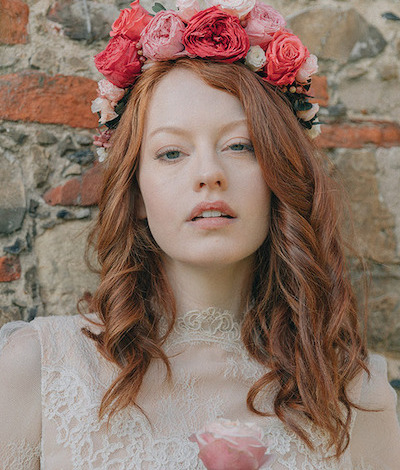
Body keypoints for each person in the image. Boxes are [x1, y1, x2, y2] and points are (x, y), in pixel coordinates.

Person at [1, 1, 400, 469]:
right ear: (136, 193)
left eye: (240, 145)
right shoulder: (40, 368)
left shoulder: (354, 391)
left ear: (280, 175)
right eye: (172, 153)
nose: (209, 174)